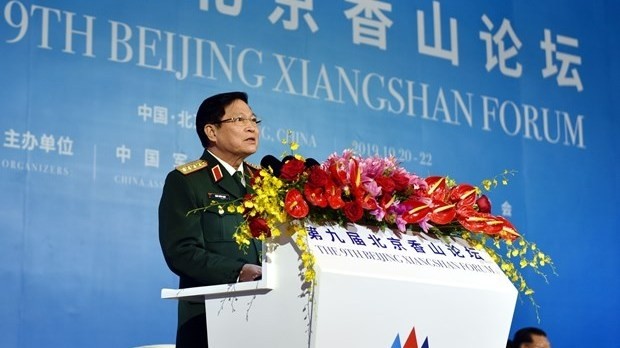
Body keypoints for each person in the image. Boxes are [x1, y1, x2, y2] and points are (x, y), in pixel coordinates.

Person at [158, 91, 263, 348]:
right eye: (239, 120)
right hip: (210, 320)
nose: (251, 127)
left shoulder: (264, 183)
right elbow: (181, 251)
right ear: (211, 132)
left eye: (253, 120)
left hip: (266, 319)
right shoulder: (187, 181)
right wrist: (238, 272)